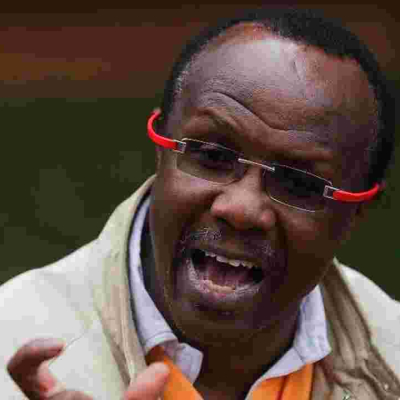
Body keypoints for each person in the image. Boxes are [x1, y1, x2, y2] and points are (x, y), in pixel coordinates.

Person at [1, 7, 398, 400]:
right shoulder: (12, 341)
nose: (241, 209)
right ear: (160, 150)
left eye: (298, 183)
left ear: (357, 212)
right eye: (212, 156)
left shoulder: (392, 355)